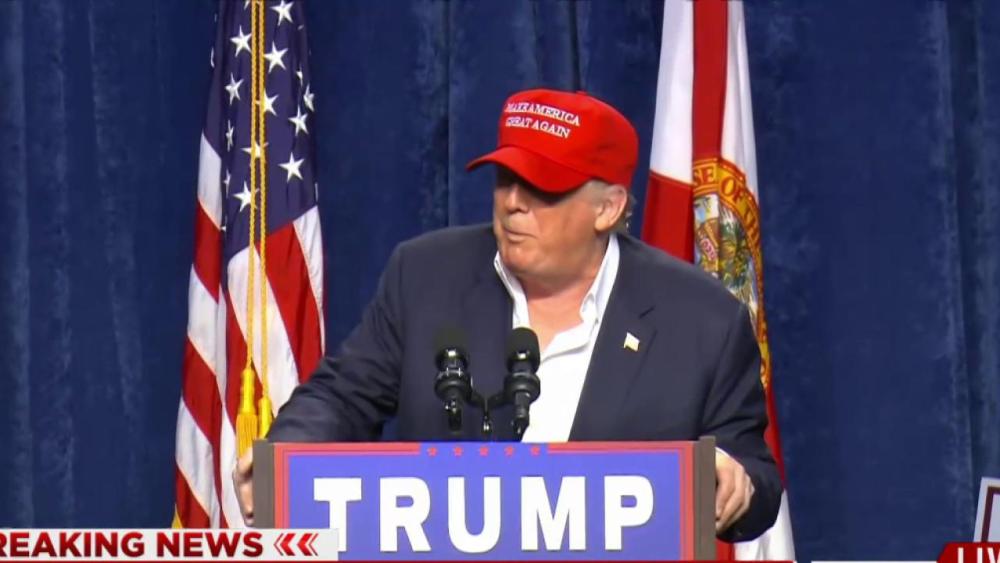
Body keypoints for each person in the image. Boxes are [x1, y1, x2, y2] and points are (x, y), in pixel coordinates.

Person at [234, 88, 781, 541]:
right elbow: (342, 396)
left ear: (608, 208)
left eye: (541, 188)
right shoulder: (426, 274)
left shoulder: (702, 320)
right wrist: (286, 454)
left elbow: (753, 473)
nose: (513, 202)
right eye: (504, 179)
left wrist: (735, 482)